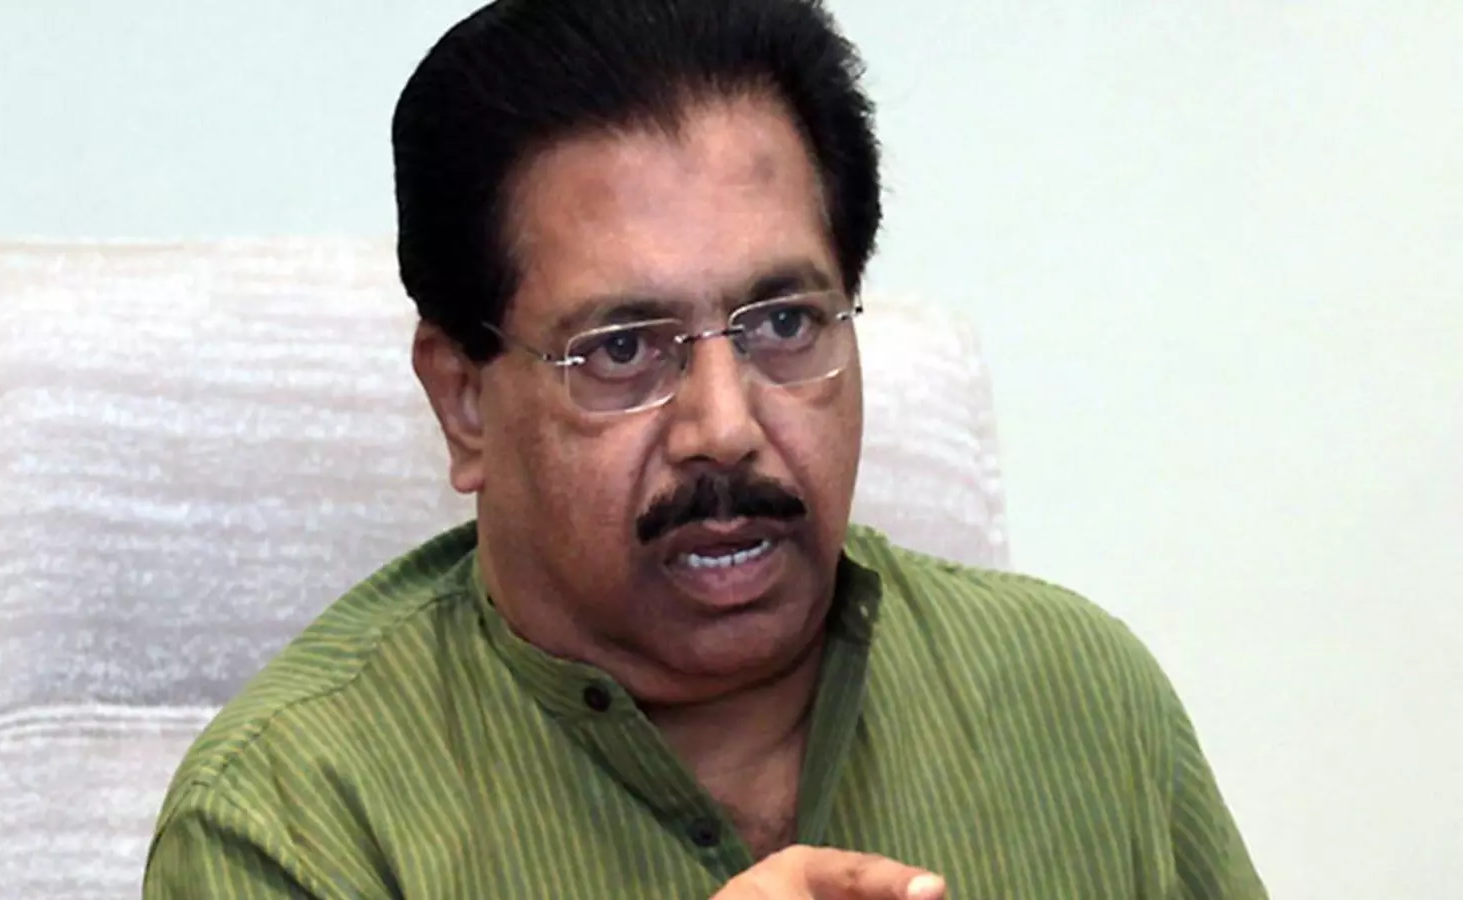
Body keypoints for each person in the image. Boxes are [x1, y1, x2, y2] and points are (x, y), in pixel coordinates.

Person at [143, 0, 1266, 897]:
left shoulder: (1079, 698)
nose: (725, 427)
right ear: (464, 403)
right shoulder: (292, 823)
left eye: (783, 325)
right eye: (624, 349)